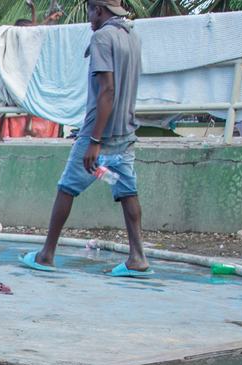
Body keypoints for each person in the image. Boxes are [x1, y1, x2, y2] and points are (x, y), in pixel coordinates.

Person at [21, 0, 149, 276]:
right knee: (128, 191)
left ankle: (47, 254)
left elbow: (106, 90)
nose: (89, 17)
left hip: (100, 133)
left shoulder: (102, 37)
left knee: (67, 187)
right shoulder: (132, 36)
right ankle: (137, 257)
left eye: (90, 11)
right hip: (126, 132)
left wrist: (94, 140)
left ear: (99, 10)